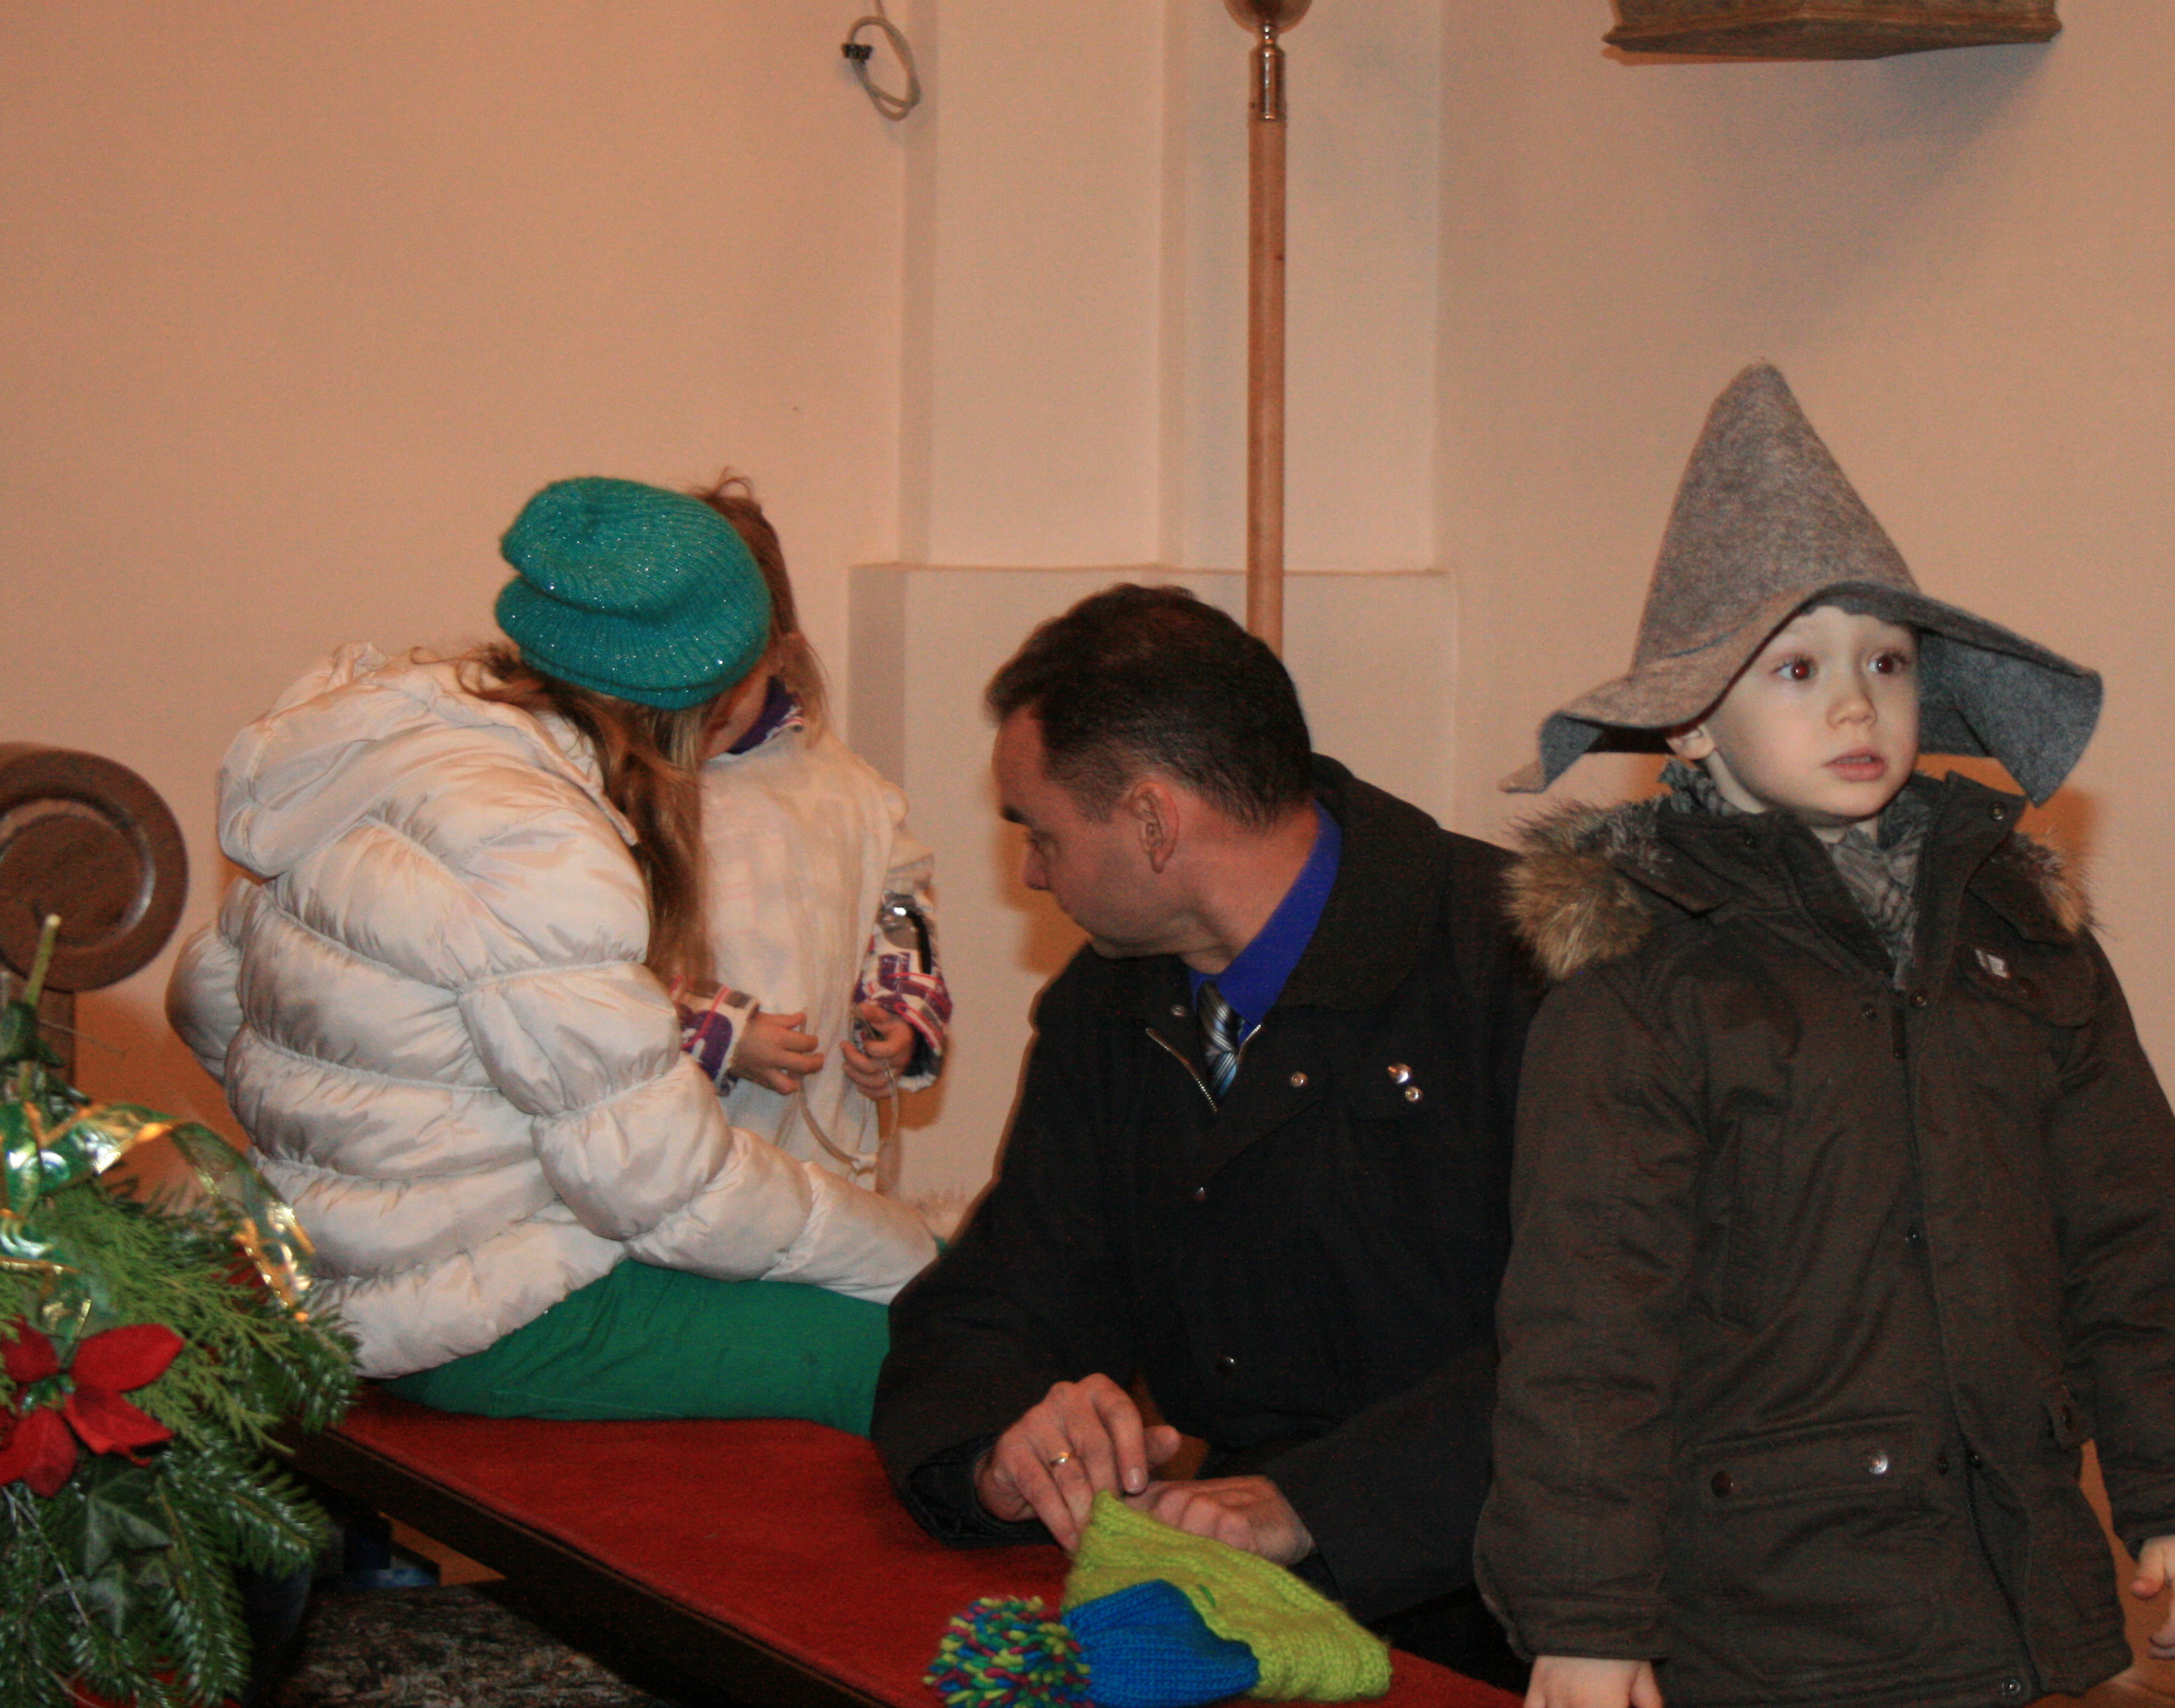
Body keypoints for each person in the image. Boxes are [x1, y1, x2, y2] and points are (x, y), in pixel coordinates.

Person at [1475, 364, 2175, 1708]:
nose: (1856, 706)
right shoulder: (1644, 983)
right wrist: (1588, 1617)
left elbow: (2136, 1241)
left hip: (1999, 1581)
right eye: (1798, 668)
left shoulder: (2019, 943)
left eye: (1887, 664)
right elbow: (1588, 1325)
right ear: (1690, 718)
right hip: (1764, 1610)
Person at [168, 475, 940, 1435]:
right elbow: (664, 1188)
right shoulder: (540, 844)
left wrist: (366, 1165)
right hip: (479, 1312)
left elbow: (209, 997)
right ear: (702, 700)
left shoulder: (401, 746)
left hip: (343, 1273)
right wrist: (914, 1252)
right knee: (921, 1356)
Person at [870, 585, 1541, 1683]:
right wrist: (1002, 1444)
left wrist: (1313, 1504)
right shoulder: (1112, 1002)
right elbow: (1001, 1296)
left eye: (1040, 832)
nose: (1030, 871)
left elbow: (1619, 1354)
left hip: (1511, 1620)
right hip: (1234, 1602)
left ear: (1153, 820)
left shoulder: (1523, 971)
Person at [673, 477, 953, 1192]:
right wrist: (719, 1033)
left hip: (816, 1151)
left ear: (782, 655)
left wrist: (898, 1018)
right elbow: (586, 979)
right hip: (664, 1149)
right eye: (683, 672)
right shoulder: (619, 793)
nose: (707, 700)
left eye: (731, 672)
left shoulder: (847, 792)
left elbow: (898, 911)